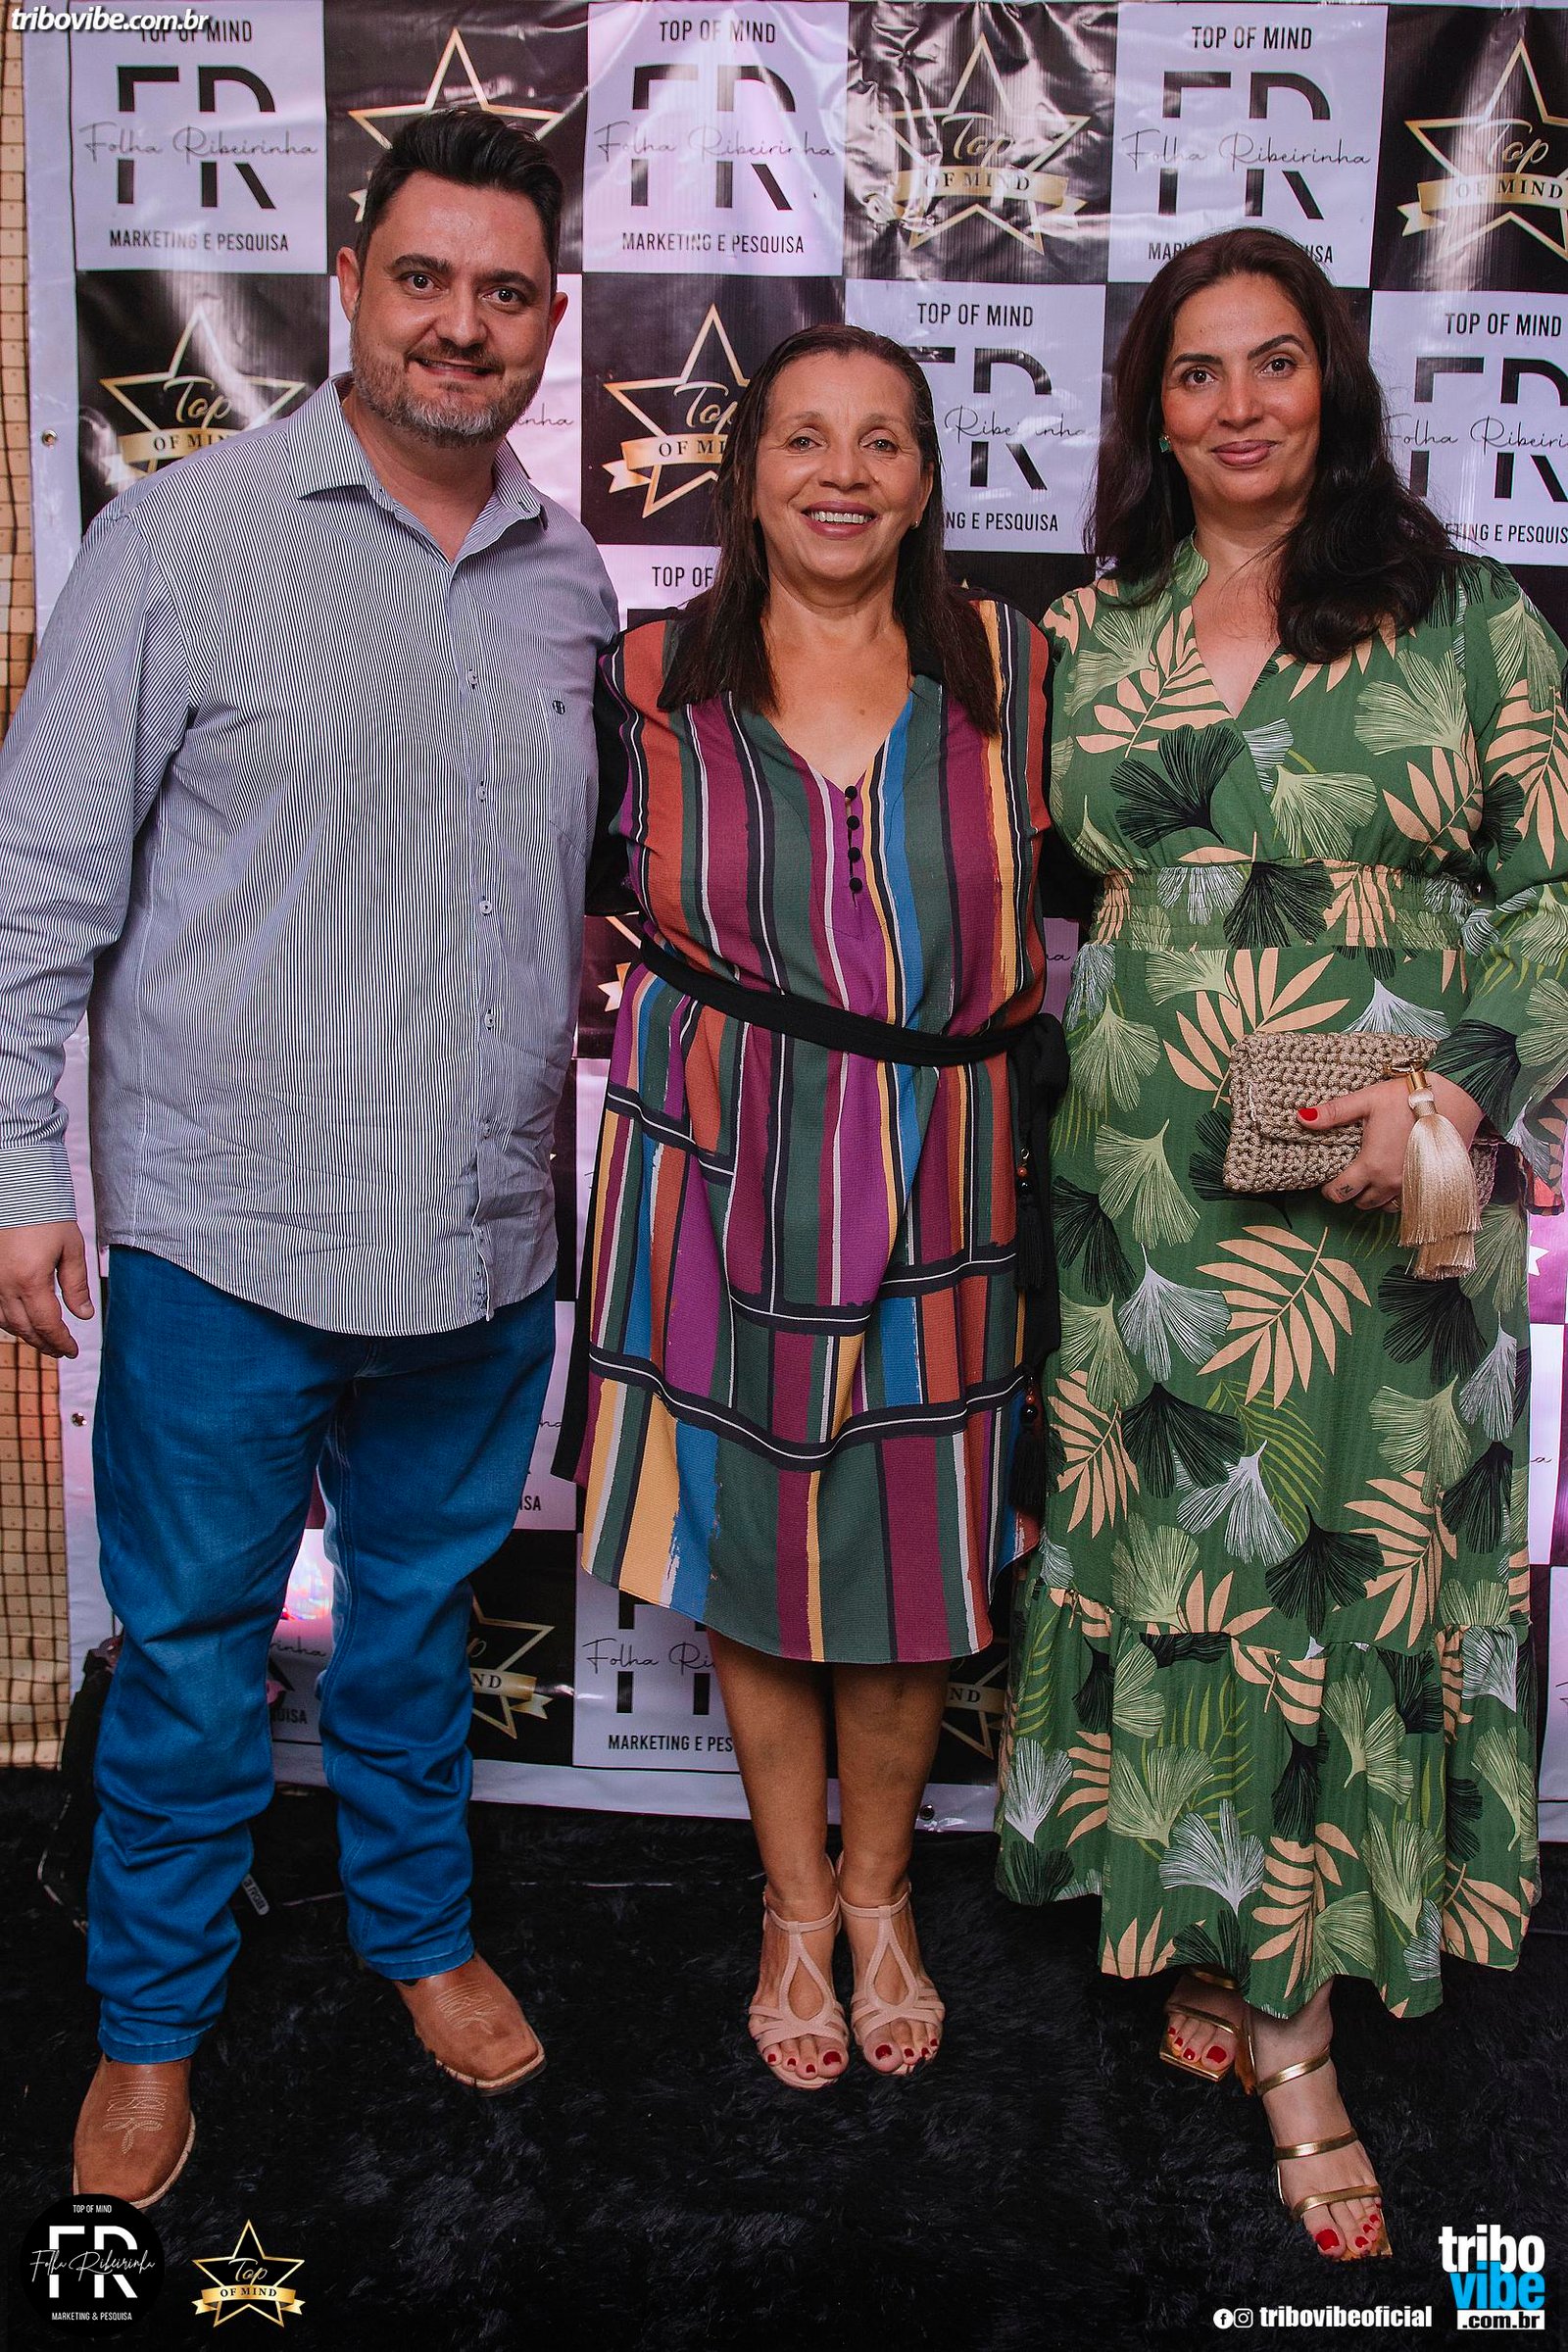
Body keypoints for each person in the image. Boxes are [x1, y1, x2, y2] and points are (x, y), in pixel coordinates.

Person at [0, 108, 617, 2206]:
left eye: (504, 292)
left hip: (479, 1243)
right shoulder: (182, 542)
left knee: (416, 1632)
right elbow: (36, 889)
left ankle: (417, 1933)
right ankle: (149, 2023)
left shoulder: (568, 576)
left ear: (550, 322)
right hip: (227, 1243)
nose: (462, 324)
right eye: (422, 279)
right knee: (190, 1663)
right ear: (349, 288)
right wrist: (20, 1173)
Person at [997, 225, 1562, 2260]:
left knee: (1336, 1564)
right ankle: (1213, 1924)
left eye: (1275, 362)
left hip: (1391, 1181)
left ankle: (1299, 2039)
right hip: (1148, 1192)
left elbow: (1554, 894)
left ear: (1334, 382)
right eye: (1194, 372)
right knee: (1182, 1562)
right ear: (1150, 410)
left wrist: (1458, 1098)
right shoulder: (1091, 624)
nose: (1238, 405)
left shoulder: (1469, 618)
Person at [568, 323, 1058, 2086]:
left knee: (912, 1548)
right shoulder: (643, 679)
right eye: (802, 439)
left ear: (925, 483)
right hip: (721, 1167)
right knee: (757, 1550)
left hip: (946, 1166)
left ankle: (880, 1897)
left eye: (881, 442)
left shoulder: (1022, 670)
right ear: (748, 473)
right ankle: (792, 1907)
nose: (841, 474)